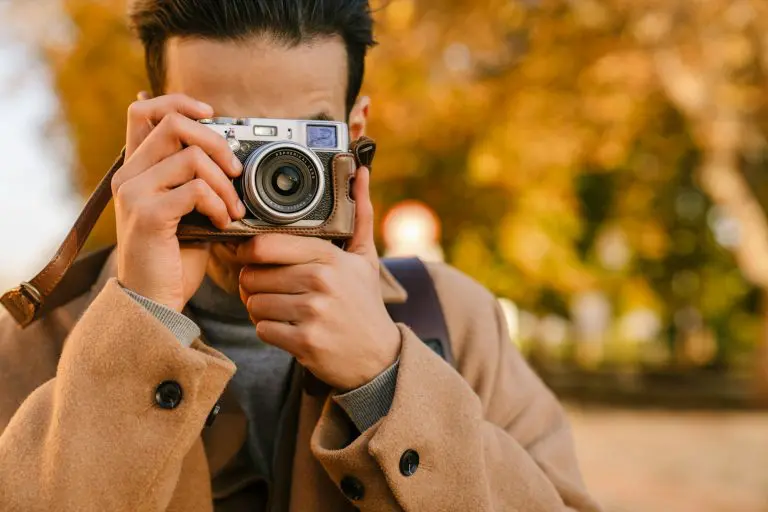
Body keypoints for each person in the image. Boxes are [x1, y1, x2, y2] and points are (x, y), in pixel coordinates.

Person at [0, 1, 601, 511]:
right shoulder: (30, 343)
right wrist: (140, 326)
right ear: (150, 128)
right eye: (231, 136)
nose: (268, 176)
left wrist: (387, 381)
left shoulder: (455, 321)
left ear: (355, 128)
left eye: (297, 141)